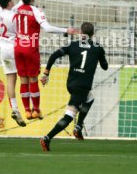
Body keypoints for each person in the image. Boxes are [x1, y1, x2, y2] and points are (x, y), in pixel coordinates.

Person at [39, 22, 108, 152]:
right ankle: (47, 138)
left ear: (80, 32)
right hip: (82, 86)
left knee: (90, 99)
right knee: (69, 115)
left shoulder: (72, 45)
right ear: (93, 34)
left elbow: (53, 55)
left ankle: (78, 127)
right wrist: (100, 57)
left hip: (71, 84)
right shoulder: (98, 47)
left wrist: (46, 73)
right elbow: (105, 67)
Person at [14, 0, 77, 120]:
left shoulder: (17, 9)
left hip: (18, 48)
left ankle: (26, 111)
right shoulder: (36, 11)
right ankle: (36, 110)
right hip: (30, 49)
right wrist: (66, 30)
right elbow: (47, 28)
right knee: (33, 79)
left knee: (23, 80)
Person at [0, 0, 26, 127]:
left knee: (10, 80)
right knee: (26, 76)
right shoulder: (13, 16)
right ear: (9, 2)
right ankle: (31, 109)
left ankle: (15, 109)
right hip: (14, 49)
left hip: (3, 51)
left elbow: (12, 7)